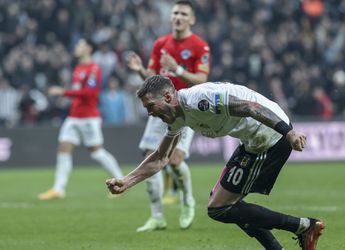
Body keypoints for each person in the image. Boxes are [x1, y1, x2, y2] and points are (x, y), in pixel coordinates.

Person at [106, 75, 325, 250]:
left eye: (150, 106)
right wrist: (126, 182)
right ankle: (295, 234)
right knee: (225, 205)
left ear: (167, 96)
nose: (150, 114)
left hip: (269, 136)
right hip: (253, 141)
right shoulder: (178, 116)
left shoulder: (199, 101)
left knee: (220, 207)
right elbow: (161, 157)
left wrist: (289, 133)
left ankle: (303, 227)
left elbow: (251, 108)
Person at [127, 0, 210, 232]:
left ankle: (187, 201)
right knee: (149, 157)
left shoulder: (200, 46)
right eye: (175, 13)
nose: (178, 17)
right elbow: (152, 78)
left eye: (184, 13)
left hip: (185, 109)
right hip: (159, 110)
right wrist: (140, 71)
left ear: (191, 19)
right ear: (170, 16)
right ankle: (157, 216)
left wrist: (177, 69)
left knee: (175, 160)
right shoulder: (161, 43)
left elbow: (202, 80)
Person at [38, 38, 124, 200]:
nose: (77, 47)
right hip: (73, 117)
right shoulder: (78, 68)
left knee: (97, 152)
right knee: (63, 148)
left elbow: (89, 93)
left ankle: (122, 182)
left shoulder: (93, 69)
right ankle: (58, 189)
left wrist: (63, 92)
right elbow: (79, 92)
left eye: (80, 45)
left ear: (89, 49)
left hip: (89, 118)